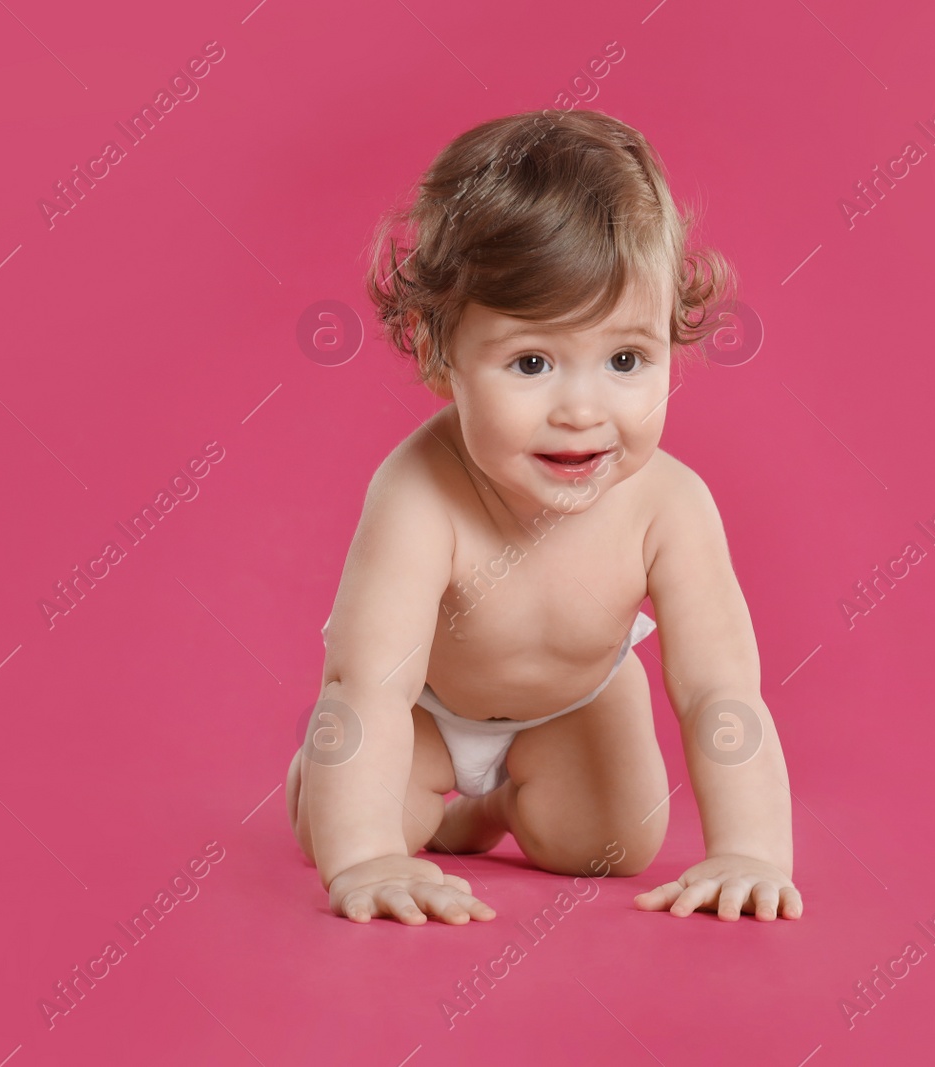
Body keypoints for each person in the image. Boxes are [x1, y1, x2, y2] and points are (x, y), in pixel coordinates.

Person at [287, 108, 803, 925]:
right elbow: (368, 686)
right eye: (532, 362)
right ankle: (358, 800)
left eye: (627, 359)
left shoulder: (669, 505)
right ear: (437, 350)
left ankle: (488, 811)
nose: (583, 409)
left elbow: (720, 691)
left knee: (610, 846)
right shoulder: (419, 493)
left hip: (571, 706)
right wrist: (365, 857)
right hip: (420, 711)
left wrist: (751, 850)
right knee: (344, 827)